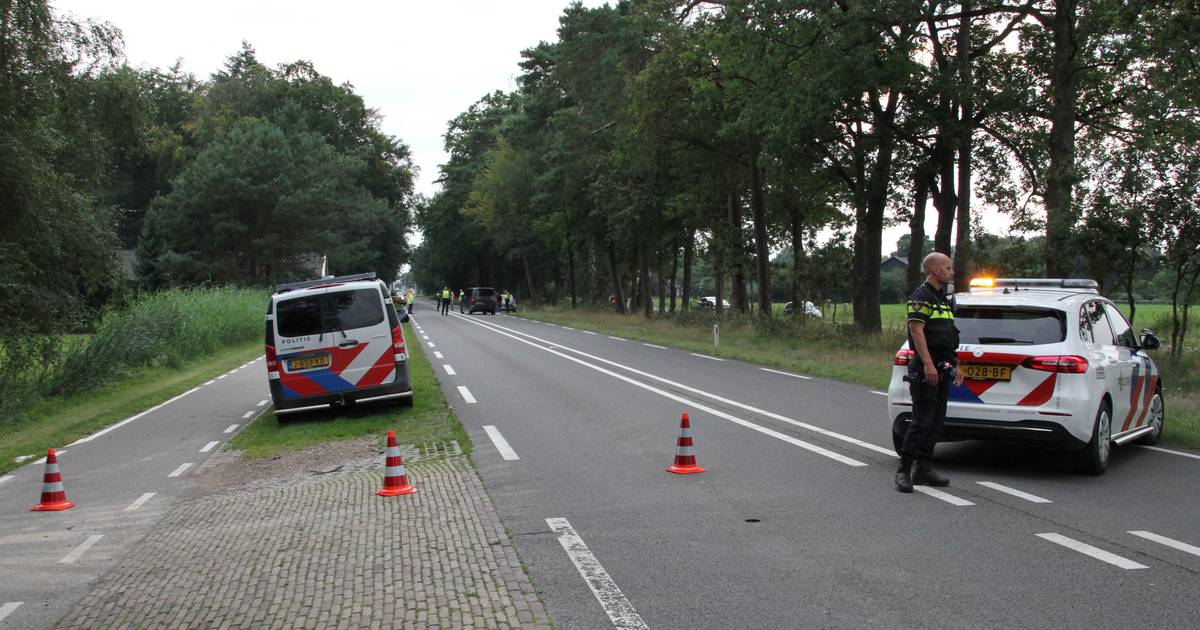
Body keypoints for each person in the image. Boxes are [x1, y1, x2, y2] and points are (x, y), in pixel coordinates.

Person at [895, 252, 964, 493]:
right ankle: (904, 470)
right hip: (927, 368)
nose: (951, 271)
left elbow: (947, 334)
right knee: (922, 420)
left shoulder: (943, 298)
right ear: (935, 270)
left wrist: (954, 363)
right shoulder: (921, 297)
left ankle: (923, 468)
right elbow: (917, 332)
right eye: (948, 267)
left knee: (936, 422)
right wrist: (927, 364)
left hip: (942, 366)